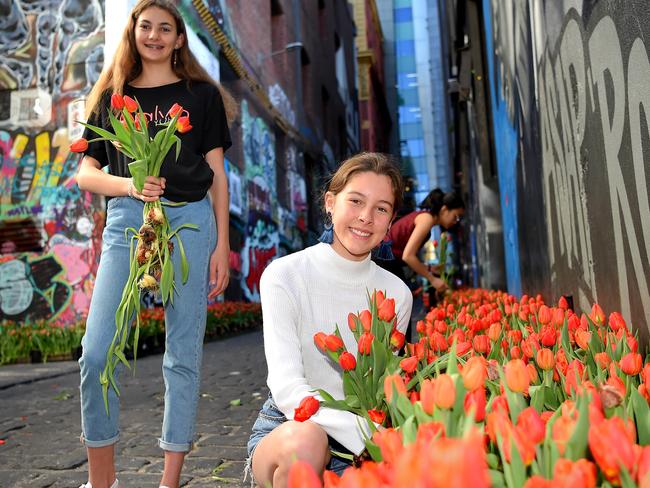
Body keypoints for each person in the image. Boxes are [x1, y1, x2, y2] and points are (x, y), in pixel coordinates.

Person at [75, 1, 233, 487]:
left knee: (181, 355)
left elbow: (218, 176)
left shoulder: (201, 97)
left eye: (166, 28)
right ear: (134, 32)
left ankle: (169, 482)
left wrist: (222, 244)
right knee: (97, 352)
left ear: (180, 39)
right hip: (127, 222)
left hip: (189, 221)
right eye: (147, 26)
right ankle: (102, 482)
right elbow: (86, 173)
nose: (156, 35)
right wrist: (129, 187)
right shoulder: (112, 97)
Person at [245, 153, 414, 487]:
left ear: (391, 220)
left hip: (364, 431)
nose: (366, 217)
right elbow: (288, 389)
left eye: (381, 208)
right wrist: (363, 433)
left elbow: (383, 387)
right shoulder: (285, 274)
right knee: (307, 440)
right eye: (355, 201)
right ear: (330, 203)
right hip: (290, 427)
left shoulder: (397, 293)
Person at [378, 188, 465, 293]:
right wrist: (433, 279)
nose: (455, 221)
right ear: (444, 210)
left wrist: (429, 268)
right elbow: (408, 256)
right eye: (456, 216)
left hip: (387, 259)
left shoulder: (425, 217)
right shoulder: (426, 219)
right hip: (382, 258)